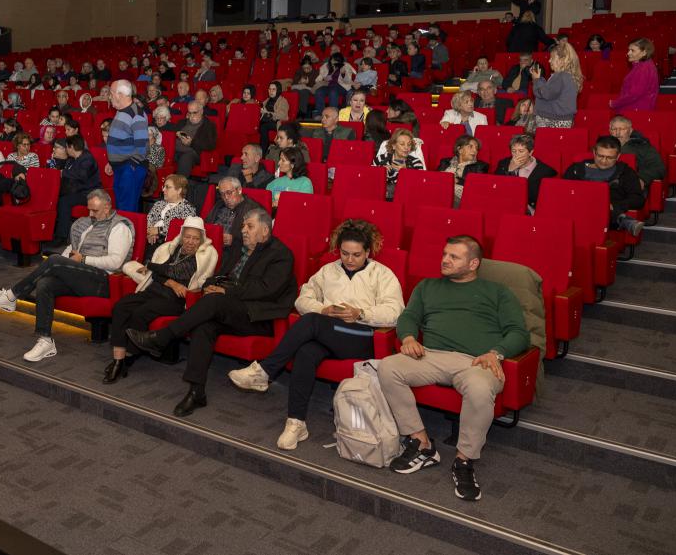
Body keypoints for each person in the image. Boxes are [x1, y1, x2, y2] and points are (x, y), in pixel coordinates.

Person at [229, 219, 404, 450]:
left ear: (368, 253)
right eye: (345, 253)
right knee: (306, 352)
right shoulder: (328, 271)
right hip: (328, 332)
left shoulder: (382, 274)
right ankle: (296, 422)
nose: (350, 260)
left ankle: (265, 371)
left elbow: (395, 312)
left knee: (311, 322)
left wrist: (361, 313)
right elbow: (302, 300)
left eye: (356, 255)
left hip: (362, 336)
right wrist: (324, 309)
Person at [380, 236, 529, 501]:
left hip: (476, 361)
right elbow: (409, 317)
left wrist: (496, 353)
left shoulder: (498, 292)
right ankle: (421, 442)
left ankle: (464, 460)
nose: (445, 260)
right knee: (389, 367)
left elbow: (518, 333)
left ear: (473, 264)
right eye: (444, 254)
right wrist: (409, 337)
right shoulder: (427, 287)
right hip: (432, 356)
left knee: (481, 388)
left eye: (454, 257)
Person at [126, 209, 295, 417]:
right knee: (204, 324)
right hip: (229, 309)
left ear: (265, 230)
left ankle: (162, 337)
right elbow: (217, 277)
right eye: (243, 226)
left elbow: (266, 289)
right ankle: (196, 391)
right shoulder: (239, 250)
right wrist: (210, 285)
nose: (243, 230)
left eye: (249, 226)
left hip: (257, 316)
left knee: (213, 302)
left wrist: (226, 291)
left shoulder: (280, 254)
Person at [0, 189, 134, 361]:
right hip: (80, 277)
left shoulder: (120, 227)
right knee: (45, 283)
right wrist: (69, 259)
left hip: (103, 282)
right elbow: (71, 251)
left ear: (107, 207)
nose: (90, 214)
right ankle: (45, 340)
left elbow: (116, 262)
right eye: (89, 209)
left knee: (53, 260)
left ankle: (12, 295)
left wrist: (83, 259)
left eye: (95, 211)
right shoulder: (87, 224)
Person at [105, 217, 218, 383]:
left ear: (201, 240)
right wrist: (171, 283)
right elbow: (160, 275)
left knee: (140, 313)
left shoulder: (203, 255)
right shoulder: (171, 248)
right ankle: (118, 359)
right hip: (154, 290)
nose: (190, 242)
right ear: (182, 236)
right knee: (121, 306)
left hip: (175, 301)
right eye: (187, 237)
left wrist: (152, 267)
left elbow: (174, 271)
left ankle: (126, 359)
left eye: (195, 238)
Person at [562, 136, 646, 235]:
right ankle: (622, 220)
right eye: (600, 156)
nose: (604, 161)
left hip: (604, 216)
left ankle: (618, 218)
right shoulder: (575, 169)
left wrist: (614, 206)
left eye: (610, 158)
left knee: (600, 207)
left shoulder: (625, 172)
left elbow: (638, 199)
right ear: (594, 152)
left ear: (618, 156)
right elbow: (561, 192)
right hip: (575, 209)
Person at [105, 79, 149, 212]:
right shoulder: (121, 111)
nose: (109, 96)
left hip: (130, 169)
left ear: (120, 95)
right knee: (121, 209)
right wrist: (112, 162)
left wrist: (130, 166)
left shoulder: (136, 114)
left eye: (111, 93)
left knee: (127, 211)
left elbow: (143, 147)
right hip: (122, 167)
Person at [50, 135, 102, 243]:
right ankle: (52, 231)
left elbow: (81, 175)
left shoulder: (88, 159)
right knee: (53, 196)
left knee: (64, 201)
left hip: (89, 193)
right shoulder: (73, 159)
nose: (66, 150)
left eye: (67, 147)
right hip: (77, 190)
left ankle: (62, 236)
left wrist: (62, 173)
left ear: (72, 147)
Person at [493, 134, 555, 210]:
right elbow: (496, 189)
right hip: (504, 205)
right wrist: (510, 170)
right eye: (513, 151)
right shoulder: (504, 163)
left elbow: (539, 199)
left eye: (521, 151)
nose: (516, 155)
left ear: (530, 152)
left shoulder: (545, 171)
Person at [531, 42, 583, 128]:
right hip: (561, 120)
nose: (549, 60)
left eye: (552, 58)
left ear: (562, 60)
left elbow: (545, 93)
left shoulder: (560, 76)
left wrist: (537, 80)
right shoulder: (569, 76)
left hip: (552, 120)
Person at [206, 177, 265, 250]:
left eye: (229, 192)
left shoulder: (253, 209)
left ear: (239, 190)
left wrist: (233, 239)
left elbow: (259, 237)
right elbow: (206, 224)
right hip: (210, 246)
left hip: (234, 251)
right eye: (222, 194)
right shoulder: (219, 204)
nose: (226, 197)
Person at [145, 175, 197, 256]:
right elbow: (149, 219)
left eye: (167, 187)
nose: (163, 190)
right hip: (150, 241)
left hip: (170, 248)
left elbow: (182, 230)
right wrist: (149, 233)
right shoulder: (159, 204)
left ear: (179, 190)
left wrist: (159, 231)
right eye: (163, 186)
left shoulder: (188, 209)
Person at [608, 116, 665, 188]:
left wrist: (642, 178)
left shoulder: (643, 147)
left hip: (632, 185)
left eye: (622, 129)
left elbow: (659, 168)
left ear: (630, 131)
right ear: (610, 131)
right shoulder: (603, 146)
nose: (618, 133)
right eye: (614, 129)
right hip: (607, 182)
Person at [610, 38, 659, 112]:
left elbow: (634, 94)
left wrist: (614, 103)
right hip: (637, 109)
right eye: (629, 50)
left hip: (635, 111)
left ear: (644, 52)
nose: (628, 53)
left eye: (632, 50)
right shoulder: (645, 65)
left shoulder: (643, 68)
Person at [438, 136, 489, 207]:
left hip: (460, 198)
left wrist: (457, 181)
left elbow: (478, 187)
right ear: (460, 150)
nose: (474, 150)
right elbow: (435, 178)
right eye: (470, 147)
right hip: (439, 192)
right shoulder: (445, 162)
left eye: (476, 148)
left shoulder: (480, 166)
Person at [172, 99, 217, 177]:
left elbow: (210, 145)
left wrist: (191, 143)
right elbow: (171, 135)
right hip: (175, 150)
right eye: (189, 112)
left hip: (193, 152)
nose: (191, 115)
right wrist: (176, 134)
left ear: (201, 111)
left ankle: (180, 185)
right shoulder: (182, 122)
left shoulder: (209, 125)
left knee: (186, 157)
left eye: (195, 112)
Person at [375, 129, 424, 199]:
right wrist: (380, 172)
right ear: (394, 146)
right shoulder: (380, 159)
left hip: (405, 199)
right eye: (402, 144)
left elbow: (419, 187)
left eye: (409, 144)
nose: (406, 148)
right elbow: (370, 181)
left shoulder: (416, 162)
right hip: (380, 199)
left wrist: (406, 172)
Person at [257, 81, 290, 146]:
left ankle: (263, 150)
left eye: (273, 89)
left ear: (278, 90)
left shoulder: (283, 101)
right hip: (267, 120)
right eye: (269, 89)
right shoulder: (267, 100)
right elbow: (261, 109)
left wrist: (268, 113)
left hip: (277, 122)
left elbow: (283, 116)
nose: (271, 91)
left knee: (263, 126)